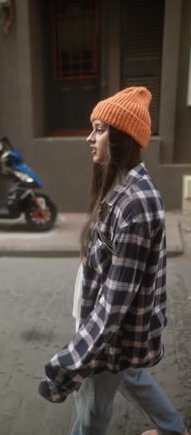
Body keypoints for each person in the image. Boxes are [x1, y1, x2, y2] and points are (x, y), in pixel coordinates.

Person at [38, 87, 189, 435]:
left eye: (100, 128)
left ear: (124, 136)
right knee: (132, 376)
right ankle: (173, 429)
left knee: (90, 415)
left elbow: (113, 308)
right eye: (93, 127)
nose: (90, 138)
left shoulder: (135, 204)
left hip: (106, 338)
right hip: (107, 332)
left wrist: (67, 367)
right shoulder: (121, 187)